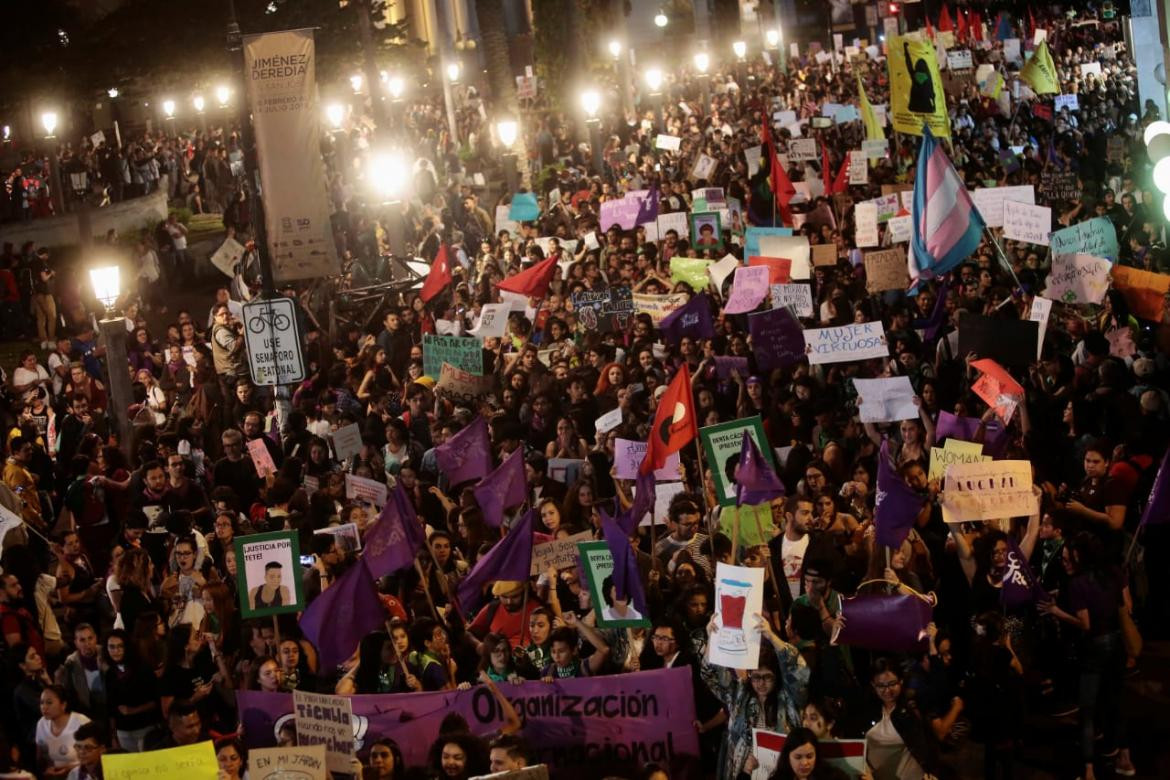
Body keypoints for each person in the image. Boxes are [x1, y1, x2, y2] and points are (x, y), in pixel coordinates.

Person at [35, 684, 90, 779]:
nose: (44, 707)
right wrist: (46, 770)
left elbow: (94, 757)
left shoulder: (81, 722)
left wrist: (71, 769)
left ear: (63, 705)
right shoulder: (41, 724)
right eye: (41, 703)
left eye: (49, 702)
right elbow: (40, 758)